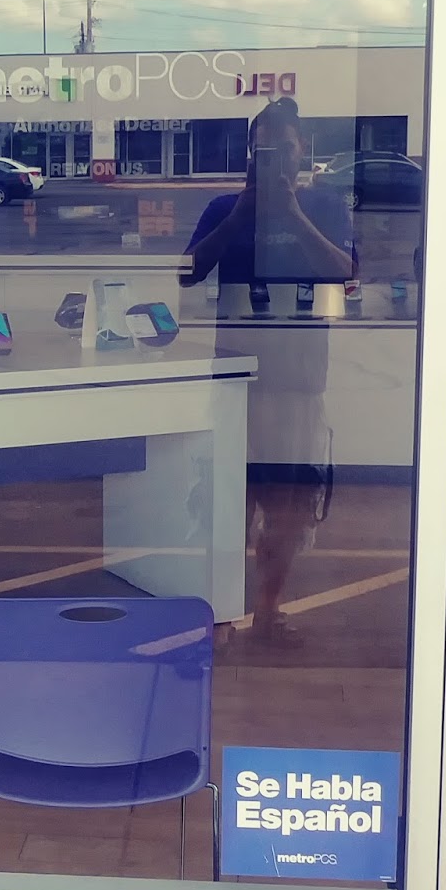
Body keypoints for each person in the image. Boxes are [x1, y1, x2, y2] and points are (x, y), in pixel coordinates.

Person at [181, 98, 355, 647]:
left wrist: (294, 216)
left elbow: (346, 271)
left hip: (298, 380)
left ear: (303, 152)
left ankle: (268, 608)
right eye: (265, 150)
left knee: (290, 506)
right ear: (250, 156)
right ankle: (222, 607)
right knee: (228, 499)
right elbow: (186, 272)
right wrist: (241, 215)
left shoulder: (325, 205)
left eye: (286, 148)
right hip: (236, 381)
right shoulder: (223, 208)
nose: (277, 158)